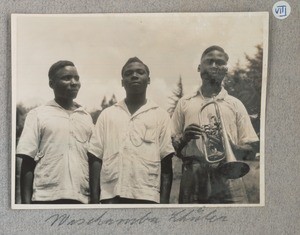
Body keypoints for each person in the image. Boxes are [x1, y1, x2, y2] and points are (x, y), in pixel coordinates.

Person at [172, 46, 259, 204]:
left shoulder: (236, 104)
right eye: (209, 61)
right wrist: (184, 139)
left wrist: (231, 147)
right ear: (199, 68)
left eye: (219, 63)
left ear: (226, 69)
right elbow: (171, 147)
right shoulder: (184, 103)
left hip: (229, 175)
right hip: (193, 175)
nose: (213, 65)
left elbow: (252, 150)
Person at [88, 57, 174, 204]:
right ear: (122, 82)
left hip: (147, 195)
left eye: (140, 72)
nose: (134, 76)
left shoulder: (160, 115)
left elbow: (166, 160)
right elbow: (96, 158)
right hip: (111, 195)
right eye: (128, 73)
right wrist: (95, 202)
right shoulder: (108, 114)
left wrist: (164, 206)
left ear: (148, 80)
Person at [17, 60, 94, 204]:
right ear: (51, 84)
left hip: (82, 198)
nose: (74, 82)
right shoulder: (38, 114)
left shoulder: (86, 117)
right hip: (45, 198)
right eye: (66, 78)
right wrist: (25, 206)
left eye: (76, 78)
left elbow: (93, 160)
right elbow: (27, 161)